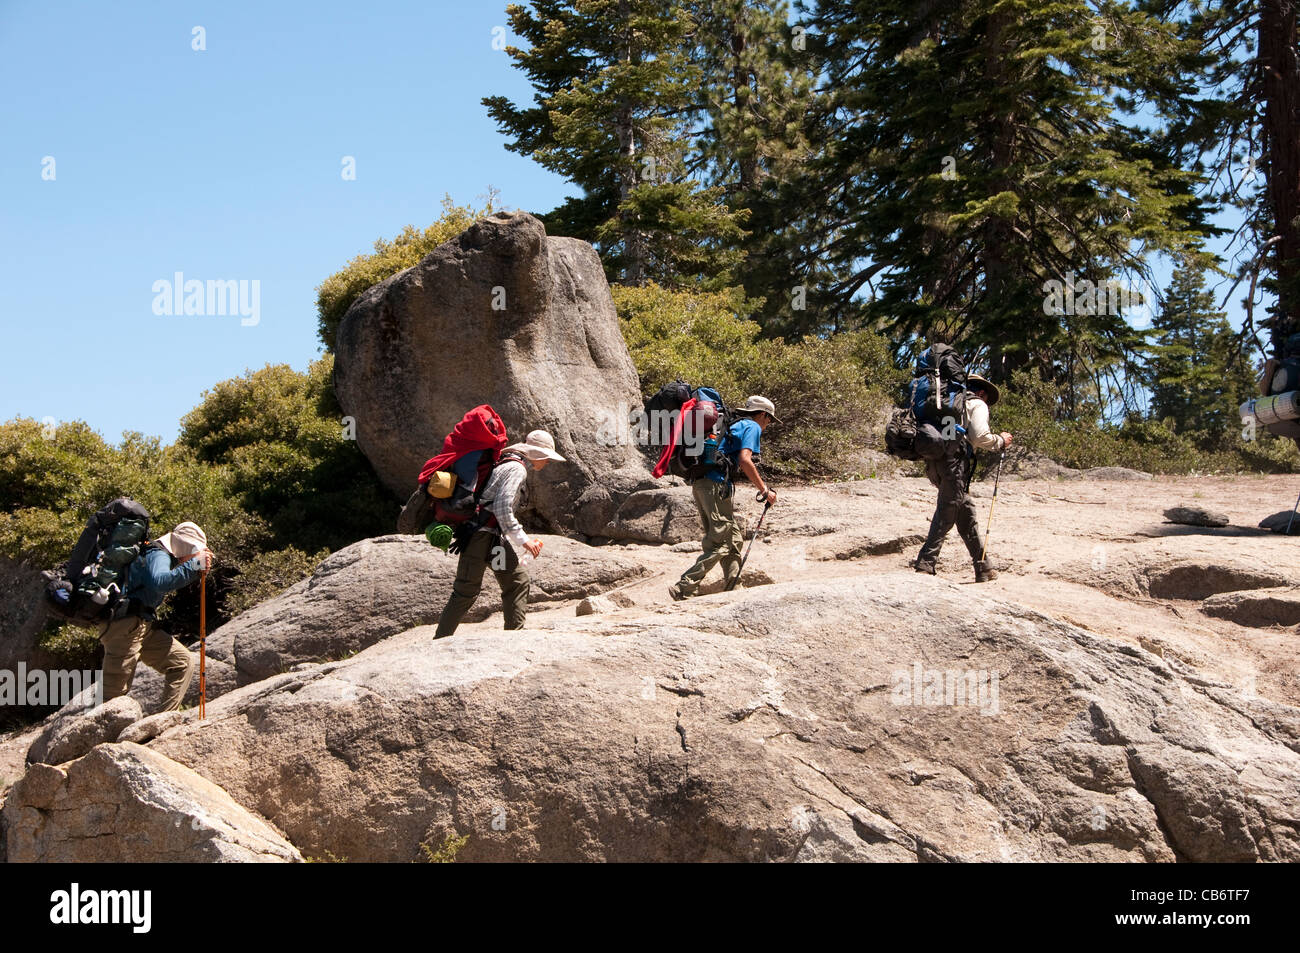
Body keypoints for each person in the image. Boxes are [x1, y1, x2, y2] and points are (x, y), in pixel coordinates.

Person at [434, 430, 565, 639]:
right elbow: (503, 507)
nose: (547, 462)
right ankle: (439, 641)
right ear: (537, 454)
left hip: (492, 539)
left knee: (517, 581)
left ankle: (513, 638)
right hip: (479, 537)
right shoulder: (516, 469)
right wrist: (524, 541)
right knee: (466, 591)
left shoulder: (507, 461)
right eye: (547, 457)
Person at [669, 395, 780, 601]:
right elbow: (745, 460)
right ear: (763, 414)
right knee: (720, 542)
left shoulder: (732, 424)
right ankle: (685, 586)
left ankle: (733, 585)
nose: (769, 424)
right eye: (770, 419)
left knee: (733, 537)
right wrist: (765, 490)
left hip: (703, 483)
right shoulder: (752, 427)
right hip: (715, 484)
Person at [99, 521, 213, 711]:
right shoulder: (157, 553)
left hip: (139, 626)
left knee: (182, 663)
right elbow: (161, 582)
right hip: (125, 626)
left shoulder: (158, 554)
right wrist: (195, 564)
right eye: (193, 549)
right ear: (184, 544)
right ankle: (98, 735)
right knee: (113, 693)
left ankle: (162, 721)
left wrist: (195, 566)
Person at [914, 374, 1012, 582]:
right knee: (947, 510)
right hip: (955, 464)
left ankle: (983, 567)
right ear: (982, 392)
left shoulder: (945, 404)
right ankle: (925, 564)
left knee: (964, 511)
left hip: (934, 462)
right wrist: (1000, 441)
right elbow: (979, 436)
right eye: (986, 398)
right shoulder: (977, 403)